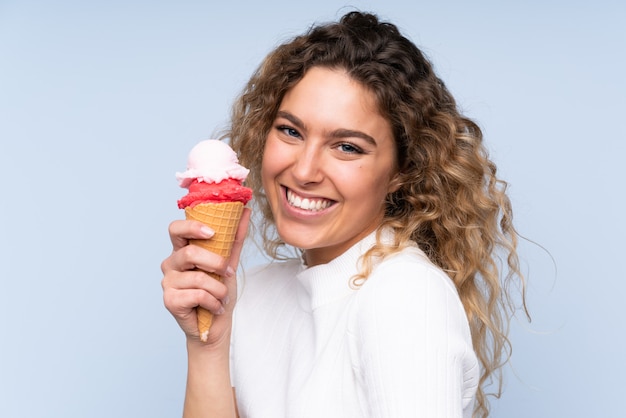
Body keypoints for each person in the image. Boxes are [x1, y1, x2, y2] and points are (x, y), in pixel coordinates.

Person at [161, 11, 526, 418]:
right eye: (291, 131)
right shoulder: (254, 296)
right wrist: (208, 343)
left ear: (401, 173)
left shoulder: (405, 295)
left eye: (347, 147)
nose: (303, 170)